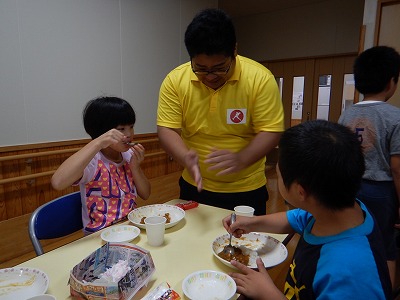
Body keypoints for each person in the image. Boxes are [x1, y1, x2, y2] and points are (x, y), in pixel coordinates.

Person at [222, 120, 392, 299]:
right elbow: (295, 218)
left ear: (299, 191)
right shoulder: (339, 210)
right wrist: (252, 222)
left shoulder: (349, 274)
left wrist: (269, 294)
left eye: (279, 175)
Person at [157, 8, 284, 215]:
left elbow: (271, 130)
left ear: (234, 50)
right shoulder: (175, 80)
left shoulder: (260, 79)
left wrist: (242, 158)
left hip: (246, 189)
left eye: (219, 67)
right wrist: (184, 156)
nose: (210, 76)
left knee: (245, 246)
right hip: (194, 185)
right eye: (200, 68)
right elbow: (167, 128)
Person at [338, 45, 400, 287]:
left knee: (352, 237)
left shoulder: (346, 115)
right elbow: (397, 168)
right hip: (381, 192)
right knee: (386, 246)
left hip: (349, 187)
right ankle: (384, 291)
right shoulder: (395, 117)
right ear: (391, 83)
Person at [51, 96, 151, 234]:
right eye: (121, 129)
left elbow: (146, 194)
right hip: (99, 237)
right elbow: (57, 182)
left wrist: (135, 168)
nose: (129, 134)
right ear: (103, 132)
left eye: (131, 127)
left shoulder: (128, 156)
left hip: (130, 229)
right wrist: (98, 142)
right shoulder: (92, 161)